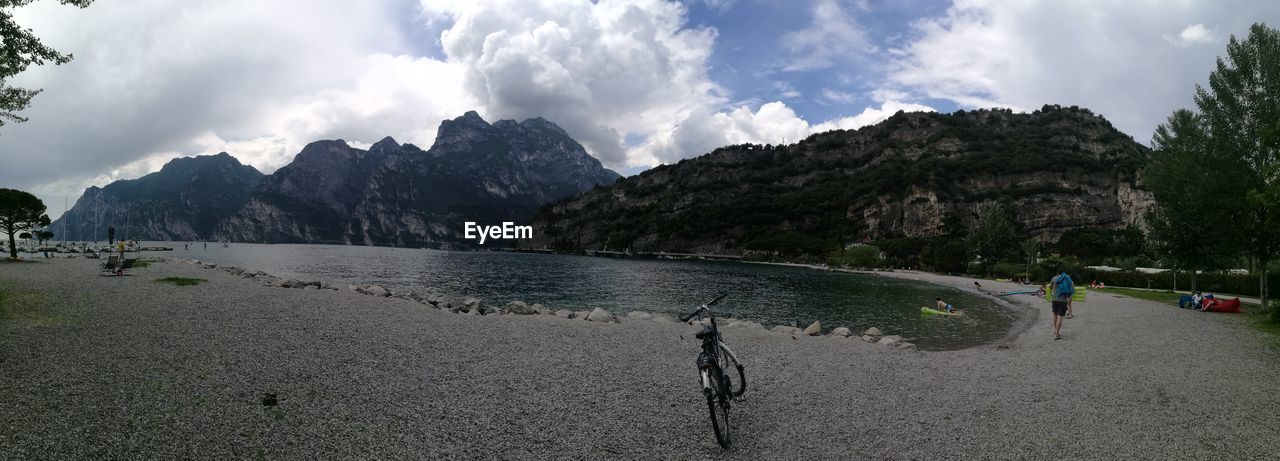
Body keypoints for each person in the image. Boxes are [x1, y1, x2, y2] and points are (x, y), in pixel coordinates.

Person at [1050, 271, 1074, 340]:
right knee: (1060, 316)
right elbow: (1071, 287)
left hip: (1054, 299)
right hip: (1063, 300)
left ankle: (1055, 331)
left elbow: (1051, 287)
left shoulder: (1054, 278)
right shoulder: (1066, 278)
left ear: (1057, 272)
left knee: (1054, 314)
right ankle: (1057, 333)